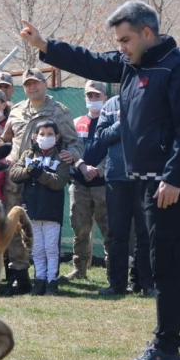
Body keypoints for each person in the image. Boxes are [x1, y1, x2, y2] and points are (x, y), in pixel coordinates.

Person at [20, 0, 180, 360]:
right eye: (119, 41)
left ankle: (167, 347)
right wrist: (47, 46)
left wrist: (173, 177)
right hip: (146, 181)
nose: (121, 47)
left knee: (164, 263)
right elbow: (90, 61)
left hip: (172, 183)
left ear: (147, 33)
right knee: (177, 262)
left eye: (126, 39)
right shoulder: (131, 64)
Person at [0, 68, 82, 296]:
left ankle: (46, 277)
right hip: (16, 179)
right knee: (16, 228)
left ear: (45, 84)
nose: (32, 87)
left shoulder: (59, 111)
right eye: (27, 84)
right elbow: (6, 139)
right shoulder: (15, 111)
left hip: (45, 183)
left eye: (36, 83)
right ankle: (21, 277)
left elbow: (75, 143)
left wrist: (71, 155)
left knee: (41, 233)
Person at [96, 94, 154, 296]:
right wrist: (121, 123)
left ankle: (146, 284)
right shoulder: (110, 105)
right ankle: (117, 285)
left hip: (144, 175)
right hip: (116, 177)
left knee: (144, 233)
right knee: (117, 234)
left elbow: (154, 134)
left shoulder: (150, 99)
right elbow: (102, 136)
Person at [10, 119, 69, 296]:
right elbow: (14, 174)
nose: (45, 137)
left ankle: (52, 281)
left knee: (51, 248)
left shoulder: (61, 157)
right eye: (42, 134)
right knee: (37, 248)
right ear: (35, 136)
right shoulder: (28, 154)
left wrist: (41, 174)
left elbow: (60, 181)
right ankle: (39, 280)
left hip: (51, 210)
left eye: (50, 134)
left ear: (57, 137)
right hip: (32, 209)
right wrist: (29, 170)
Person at [66, 80, 110, 280]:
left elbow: (115, 152)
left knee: (109, 228)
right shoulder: (75, 123)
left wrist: (99, 169)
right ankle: (80, 269)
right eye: (89, 96)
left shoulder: (111, 122)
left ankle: (113, 270)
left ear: (105, 98)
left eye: (97, 96)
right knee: (80, 228)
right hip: (79, 183)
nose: (92, 100)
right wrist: (82, 166)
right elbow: (70, 150)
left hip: (103, 185)